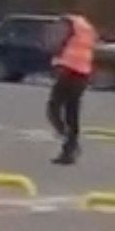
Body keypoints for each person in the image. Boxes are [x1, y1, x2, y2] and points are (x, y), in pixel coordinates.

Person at [47, 13, 97, 166]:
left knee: (53, 108)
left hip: (67, 70)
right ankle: (70, 148)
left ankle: (68, 140)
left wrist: (54, 58)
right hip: (83, 73)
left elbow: (56, 43)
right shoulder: (88, 29)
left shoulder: (67, 24)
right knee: (72, 112)